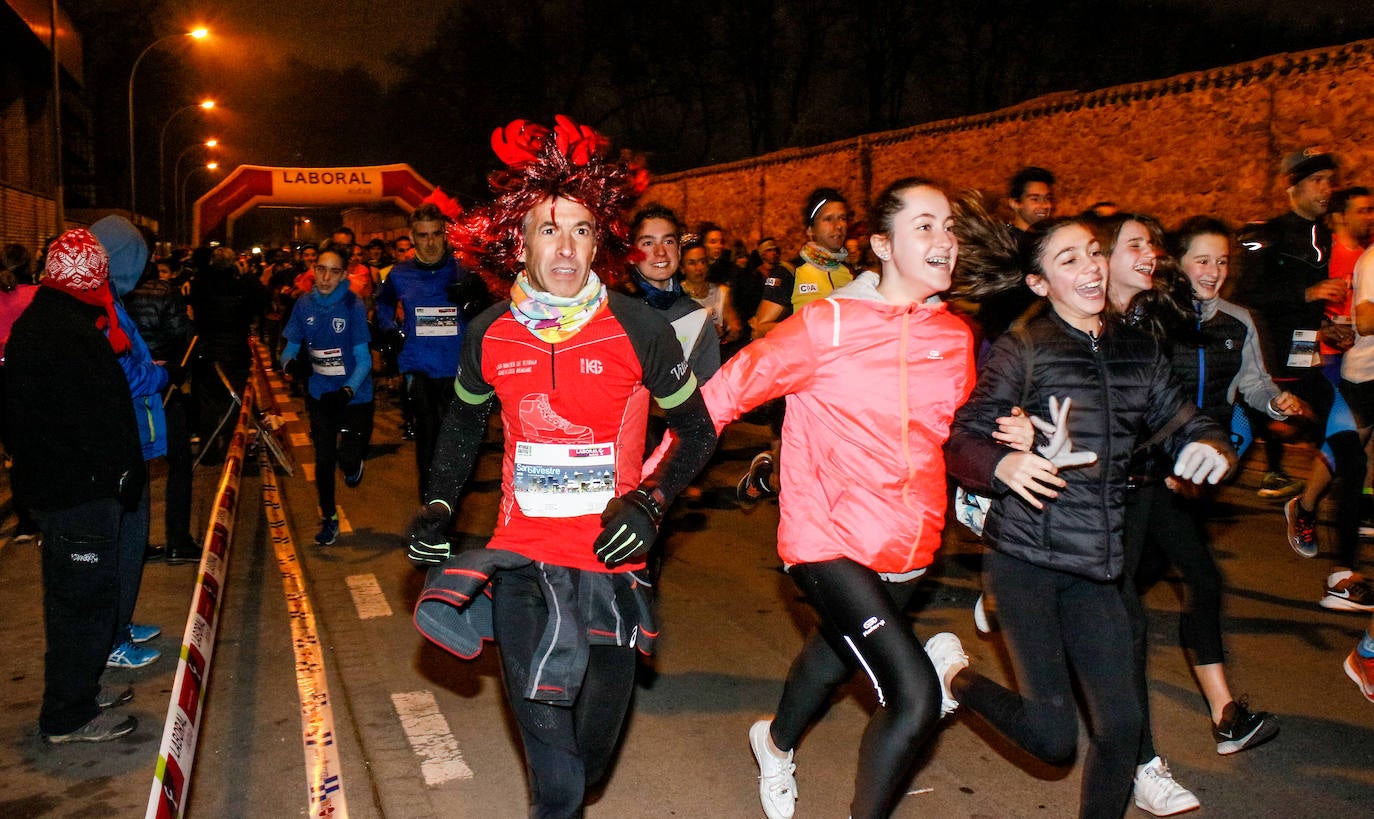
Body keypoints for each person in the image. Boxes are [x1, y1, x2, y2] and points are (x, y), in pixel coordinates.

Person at [406, 115, 716, 817]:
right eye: (549, 229)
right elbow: (461, 423)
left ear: (600, 238)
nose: (566, 246)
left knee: (591, 758)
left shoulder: (640, 327)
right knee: (558, 786)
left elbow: (696, 432)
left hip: (613, 563)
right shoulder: (490, 332)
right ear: (520, 241)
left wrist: (651, 501)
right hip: (521, 562)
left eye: (580, 228)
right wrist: (440, 505)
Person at [693, 178, 975, 819]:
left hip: (909, 544)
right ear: (881, 243)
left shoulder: (955, 339)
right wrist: (648, 489)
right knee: (914, 696)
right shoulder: (825, 325)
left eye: (949, 226)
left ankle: (775, 740)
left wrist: (1002, 455)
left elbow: (952, 435)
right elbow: (718, 401)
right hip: (823, 539)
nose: (944, 240)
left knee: (829, 659)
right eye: (924, 226)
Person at [940, 208, 1234, 819]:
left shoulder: (1138, 350)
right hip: (1027, 561)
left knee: (1121, 730)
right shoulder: (1024, 351)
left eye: (1095, 253)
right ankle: (954, 678)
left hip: (1098, 565)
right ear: (1040, 283)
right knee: (1052, 740)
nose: (1093, 267)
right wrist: (1003, 465)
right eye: (1068, 259)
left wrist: (1207, 443)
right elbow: (963, 438)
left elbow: (1184, 418)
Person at [1100, 213, 1287, 813]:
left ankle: (1223, 715)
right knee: (1126, 605)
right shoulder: (1140, 320)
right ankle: (1150, 752)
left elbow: (1244, 388)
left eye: (1222, 261)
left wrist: (1254, 414)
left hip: (1181, 475)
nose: (1213, 271)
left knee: (1176, 583)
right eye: (1200, 259)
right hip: (1137, 482)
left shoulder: (1230, 323)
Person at [7, 228, 145, 743]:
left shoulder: (47, 321)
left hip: (69, 490)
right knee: (80, 604)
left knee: (86, 596)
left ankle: (80, 691)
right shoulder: (64, 334)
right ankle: (68, 713)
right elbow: (92, 421)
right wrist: (116, 473)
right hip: (78, 495)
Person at [91, 215, 174, 671]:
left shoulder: (110, 300)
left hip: (134, 436)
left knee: (132, 539)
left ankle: (120, 624)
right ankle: (114, 638)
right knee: (124, 541)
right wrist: (159, 374)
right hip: (125, 440)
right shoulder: (101, 308)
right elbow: (123, 371)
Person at [1233, 147, 1340, 501]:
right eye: (1317, 181)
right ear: (1292, 186)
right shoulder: (1269, 234)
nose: (1326, 189)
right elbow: (1247, 293)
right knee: (1264, 408)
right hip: (1268, 344)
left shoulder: (1326, 236)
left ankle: (1319, 480)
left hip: (1305, 341)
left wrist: (1328, 322)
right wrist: (1305, 293)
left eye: (1329, 181)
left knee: (1317, 407)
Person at [740, 187, 854, 505]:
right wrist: (814, 330)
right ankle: (769, 472)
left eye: (842, 218)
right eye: (828, 219)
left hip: (840, 395)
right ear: (810, 230)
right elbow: (759, 329)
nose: (838, 226)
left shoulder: (852, 275)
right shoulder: (789, 272)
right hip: (796, 393)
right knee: (792, 485)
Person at [374, 200, 478, 501]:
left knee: (458, 445)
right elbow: (381, 302)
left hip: (458, 371)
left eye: (435, 234)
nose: (430, 242)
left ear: (445, 234)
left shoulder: (463, 269)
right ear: (412, 236)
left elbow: (485, 312)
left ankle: (450, 509)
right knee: (429, 440)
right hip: (419, 369)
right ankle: (429, 512)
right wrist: (390, 330)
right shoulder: (399, 273)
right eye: (423, 235)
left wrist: (473, 302)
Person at [281, 247, 374, 545]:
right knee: (323, 459)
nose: (325, 277)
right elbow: (290, 346)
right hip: (320, 394)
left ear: (343, 274)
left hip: (354, 395)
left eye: (334, 271)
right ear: (313, 270)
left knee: (346, 459)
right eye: (321, 269)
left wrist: (347, 390)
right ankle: (329, 518)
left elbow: (364, 359)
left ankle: (352, 463)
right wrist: (290, 364)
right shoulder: (304, 304)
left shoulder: (353, 305)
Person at [624, 204, 721, 381]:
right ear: (632, 255)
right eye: (648, 243)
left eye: (668, 241)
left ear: (678, 251)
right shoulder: (616, 314)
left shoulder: (698, 318)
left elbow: (708, 391)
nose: (660, 252)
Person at [681, 235, 743, 347]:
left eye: (702, 262)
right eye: (692, 263)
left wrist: (730, 331)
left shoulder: (721, 292)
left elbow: (734, 326)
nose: (699, 268)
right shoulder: (676, 295)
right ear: (682, 268)